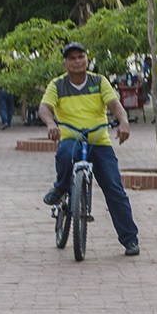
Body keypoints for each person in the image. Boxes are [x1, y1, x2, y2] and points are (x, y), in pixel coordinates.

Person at [38, 42, 140, 256]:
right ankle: (61, 187)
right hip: (71, 138)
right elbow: (44, 108)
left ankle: (130, 239)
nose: (77, 61)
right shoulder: (57, 85)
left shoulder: (99, 81)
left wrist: (123, 122)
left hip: (99, 141)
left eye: (80, 57)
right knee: (64, 154)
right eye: (72, 58)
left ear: (87, 59)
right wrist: (51, 124)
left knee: (114, 188)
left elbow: (115, 105)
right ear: (65, 63)